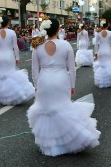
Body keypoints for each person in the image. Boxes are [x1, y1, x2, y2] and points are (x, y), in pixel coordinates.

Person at [27, 18, 100, 156]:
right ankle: (67, 141)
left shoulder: (37, 46)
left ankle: (51, 144)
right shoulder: (66, 45)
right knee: (63, 108)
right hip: (61, 80)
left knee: (47, 111)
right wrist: (72, 85)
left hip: (44, 80)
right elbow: (72, 69)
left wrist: (37, 86)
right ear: (58, 29)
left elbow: (34, 70)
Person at [0, 16, 35, 105]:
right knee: (11, 74)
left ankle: (4, 97)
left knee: (2, 76)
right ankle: (13, 96)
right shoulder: (11, 32)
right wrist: (17, 57)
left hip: (0, 56)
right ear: (8, 23)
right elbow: (15, 46)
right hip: (9, 55)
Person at [93, 20, 111, 88]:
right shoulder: (110, 33)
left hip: (100, 51)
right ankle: (109, 81)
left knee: (102, 66)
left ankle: (102, 81)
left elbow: (96, 44)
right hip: (107, 50)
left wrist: (96, 52)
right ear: (107, 26)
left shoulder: (98, 33)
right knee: (108, 65)